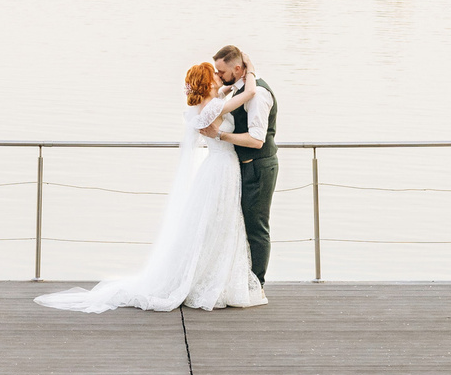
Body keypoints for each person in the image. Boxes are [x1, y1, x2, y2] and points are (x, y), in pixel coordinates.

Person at [36, 59, 268, 312]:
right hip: (222, 167)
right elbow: (251, 92)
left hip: (218, 167)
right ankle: (211, 279)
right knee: (220, 222)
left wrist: (226, 88)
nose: (218, 77)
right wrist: (251, 69)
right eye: (214, 75)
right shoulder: (213, 107)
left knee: (216, 222)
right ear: (208, 81)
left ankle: (210, 275)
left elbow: (224, 95)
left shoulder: (206, 106)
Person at [203, 44, 279, 285]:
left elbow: (257, 140)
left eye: (222, 72)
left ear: (237, 68)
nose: (219, 77)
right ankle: (239, 279)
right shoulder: (238, 88)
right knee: (240, 224)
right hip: (241, 167)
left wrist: (220, 135)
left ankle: (257, 284)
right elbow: (228, 93)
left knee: (256, 227)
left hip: (258, 167)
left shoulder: (259, 94)